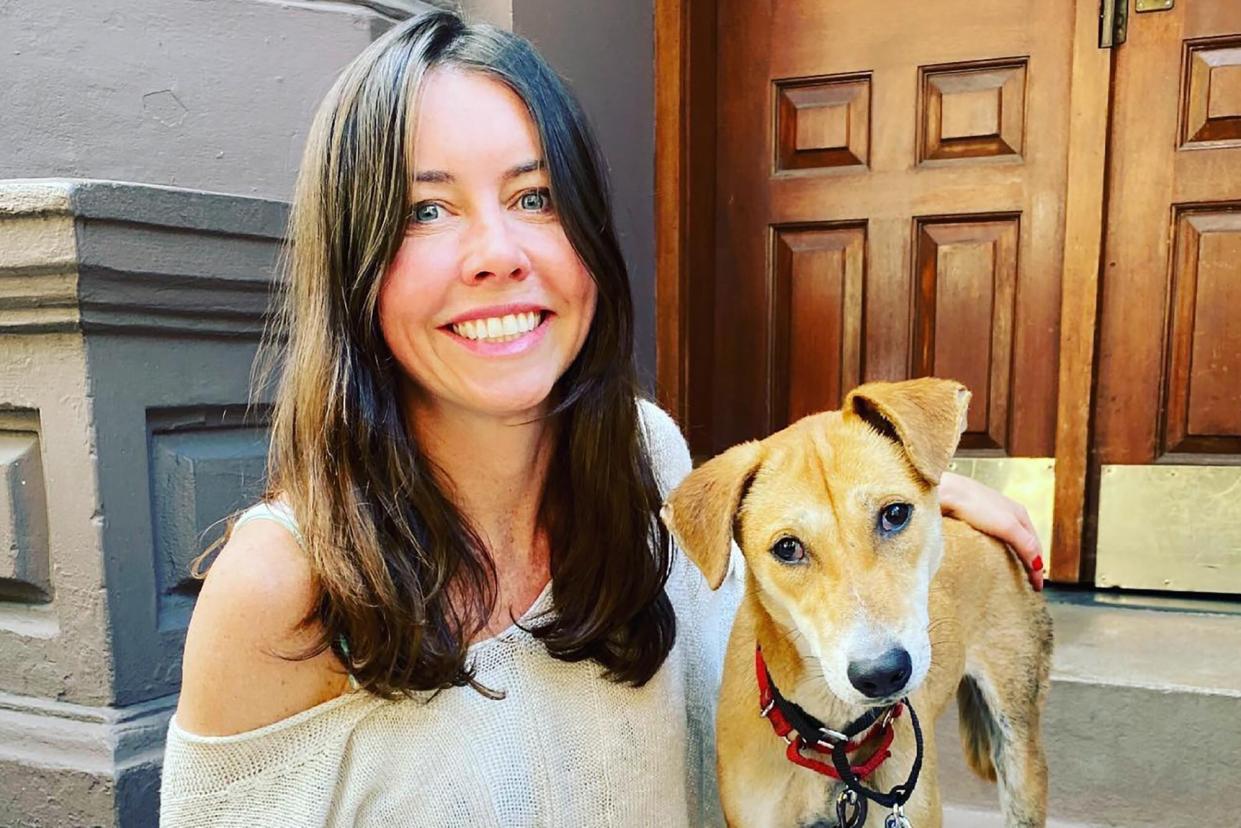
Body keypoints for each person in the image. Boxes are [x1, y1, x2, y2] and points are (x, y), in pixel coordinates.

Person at [159, 9, 1045, 827]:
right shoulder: (283, 587)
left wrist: (900, 494)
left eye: (534, 196)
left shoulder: (646, 459)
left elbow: (786, 589)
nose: (496, 254)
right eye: (425, 210)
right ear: (352, 267)